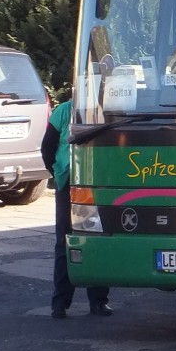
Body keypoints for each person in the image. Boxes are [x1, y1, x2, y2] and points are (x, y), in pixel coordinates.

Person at [41, 96, 112, 318]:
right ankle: (64, 303)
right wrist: (59, 175)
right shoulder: (65, 111)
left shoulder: (105, 110)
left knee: (93, 240)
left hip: (93, 183)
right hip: (72, 183)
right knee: (67, 241)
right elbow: (47, 148)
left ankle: (93, 302)